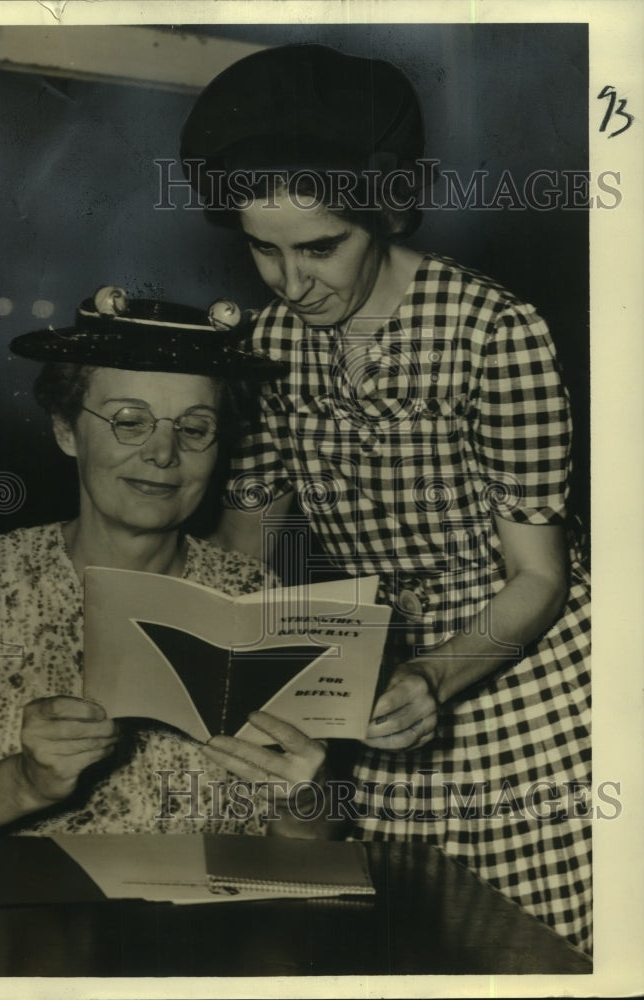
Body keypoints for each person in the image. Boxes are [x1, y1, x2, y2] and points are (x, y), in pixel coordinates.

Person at [180, 44, 592, 952]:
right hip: (368, 675)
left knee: (530, 948)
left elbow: (538, 576)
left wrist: (434, 676)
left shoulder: (495, 330)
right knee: (402, 941)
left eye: (321, 248)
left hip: (513, 674)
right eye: (263, 249)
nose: (291, 283)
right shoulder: (267, 345)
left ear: (388, 212)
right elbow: (245, 548)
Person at [0, 288, 328, 838]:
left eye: (194, 428)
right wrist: (25, 784)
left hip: (207, 898)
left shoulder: (256, 597)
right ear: (66, 429)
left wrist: (305, 805)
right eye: (129, 420)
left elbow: (304, 846)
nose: (163, 453)